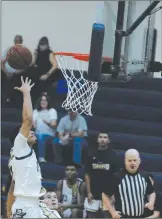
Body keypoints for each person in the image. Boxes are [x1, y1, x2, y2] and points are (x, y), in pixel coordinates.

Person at [7, 76, 59, 218]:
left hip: (34, 204)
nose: (31, 131)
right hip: (25, 206)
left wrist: (8, 210)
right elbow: (28, 119)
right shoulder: (20, 146)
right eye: (27, 132)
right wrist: (26, 93)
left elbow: (12, 185)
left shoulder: (25, 152)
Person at [102, 149, 156, 218]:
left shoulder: (145, 176)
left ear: (139, 161)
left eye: (135, 160)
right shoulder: (117, 177)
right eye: (129, 160)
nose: (132, 163)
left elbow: (151, 192)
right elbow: (105, 195)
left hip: (140, 216)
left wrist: (151, 202)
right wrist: (112, 212)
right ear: (125, 161)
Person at [84, 132, 120, 218]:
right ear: (97, 140)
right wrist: (88, 192)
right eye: (100, 137)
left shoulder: (114, 156)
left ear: (108, 140)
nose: (102, 139)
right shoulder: (91, 155)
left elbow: (116, 176)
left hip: (108, 193)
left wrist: (114, 194)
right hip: (93, 192)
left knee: (107, 216)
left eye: (105, 137)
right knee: (91, 216)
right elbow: (87, 174)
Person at [33, 94, 57, 162]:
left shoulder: (52, 111)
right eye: (42, 100)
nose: (44, 102)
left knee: (41, 136)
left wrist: (47, 122)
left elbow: (54, 125)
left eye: (46, 100)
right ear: (39, 102)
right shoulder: (35, 111)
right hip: (37, 133)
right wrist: (32, 123)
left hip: (49, 134)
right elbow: (34, 126)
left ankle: (41, 158)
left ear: (48, 102)